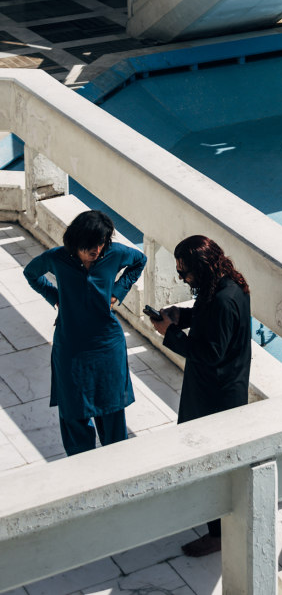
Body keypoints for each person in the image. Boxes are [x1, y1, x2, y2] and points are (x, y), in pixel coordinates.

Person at [149, 236, 252, 558]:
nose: (182, 278)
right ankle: (215, 523)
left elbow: (209, 352)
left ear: (201, 268)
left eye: (185, 273)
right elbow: (208, 319)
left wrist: (170, 333)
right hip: (213, 387)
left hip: (215, 395)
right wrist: (181, 315)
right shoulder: (225, 285)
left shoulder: (224, 298)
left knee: (211, 461)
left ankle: (218, 533)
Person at [23, 210, 147, 457]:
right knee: (73, 412)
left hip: (107, 344)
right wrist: (56, 297)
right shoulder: (57, 258)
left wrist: (118, 291)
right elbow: (31, 273)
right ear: (76, 241)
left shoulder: (115, 253)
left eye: (101, 243)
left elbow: (139, 260)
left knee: (111, 410)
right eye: (91, 245)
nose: (97, 250)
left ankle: (116, 468)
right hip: (71, 346)